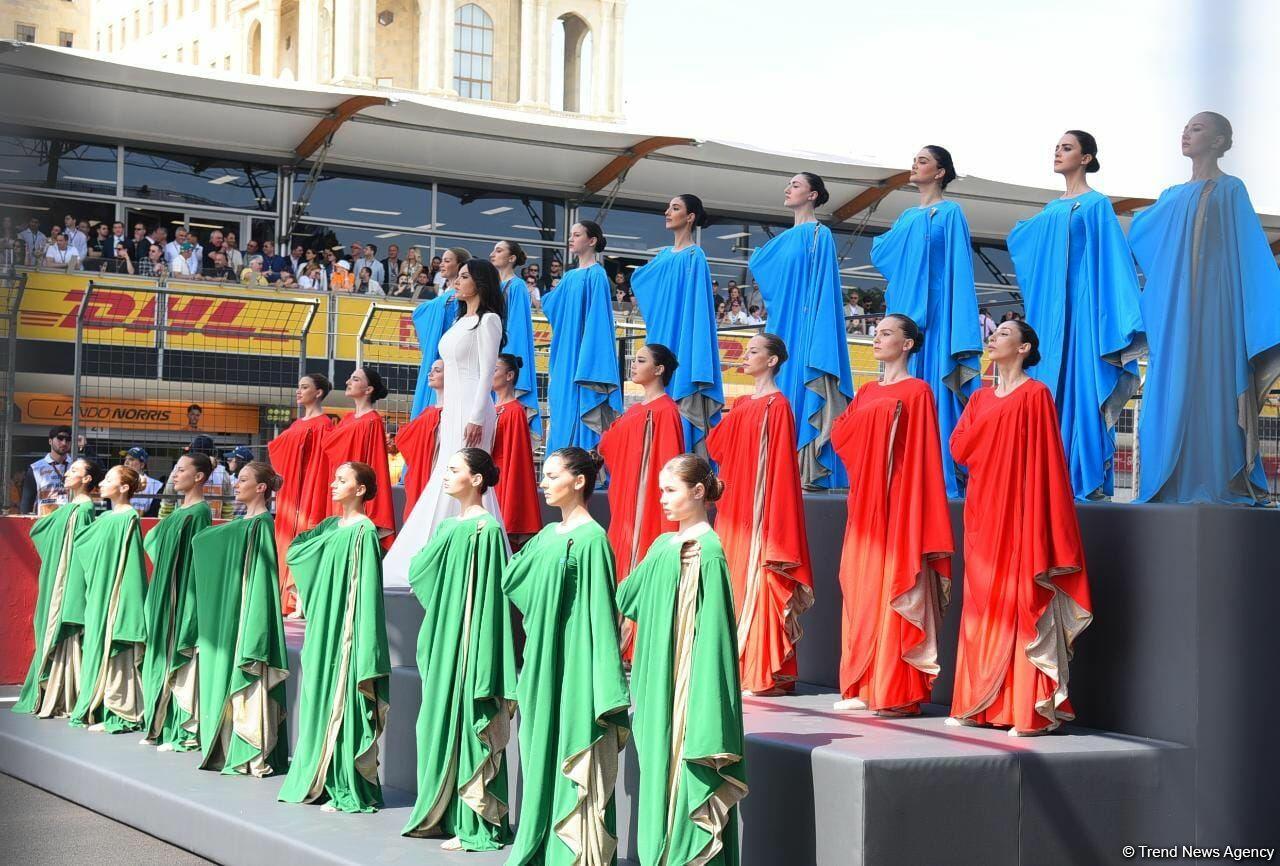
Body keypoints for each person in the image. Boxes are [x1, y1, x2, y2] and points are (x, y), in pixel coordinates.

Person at [948, 320, 1092, 735]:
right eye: (993, 334)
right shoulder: (979, 398)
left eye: (1004, 334)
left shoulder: (1036, 394)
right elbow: (958, 447)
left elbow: (1046, 461)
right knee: (981, 606)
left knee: (1024, 601)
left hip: (1021, 510)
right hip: (982, 514)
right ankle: (976, 703)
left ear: (1024, 348)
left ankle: (1029, 709)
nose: (993, 338)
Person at [1129, 112, 1280, 505]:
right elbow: (1142, 237)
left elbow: (1250, 252)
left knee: (1215, 383)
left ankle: (1218, 479)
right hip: (1174, 312)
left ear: (1219, 141)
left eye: (1196, 128)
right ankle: (1167, 479)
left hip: (1217, 310)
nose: (1186, 133)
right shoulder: (1170, 196)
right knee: (1170, 382)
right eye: (1185, 128)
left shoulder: (1230, 189)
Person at [617, 454, 748, 866]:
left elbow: (715, 637)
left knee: (679, 773)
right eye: (661, 490)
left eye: (671, 490)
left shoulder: (707, 552)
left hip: (685, 686)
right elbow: (627, 597)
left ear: (698, 492)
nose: (662, 499)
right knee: (657, 771)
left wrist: (703, 701)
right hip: (655, 682)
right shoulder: (663, 546)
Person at [503, 447, 630, 866]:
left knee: (571, 748)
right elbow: (514, 580)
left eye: (552, 475)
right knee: (537, 748)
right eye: (544, 474)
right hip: (542, 661)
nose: (543, 482)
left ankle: (573, 853)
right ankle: (539, 844)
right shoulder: (546, 536)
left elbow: (602, 615)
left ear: (579, 481)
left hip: (575, 665)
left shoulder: (593, 539)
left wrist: (602, 682)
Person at [1007, 130, 1145, 501]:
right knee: (1047, 382)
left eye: (1066, 148)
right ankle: (1044, 475)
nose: (1058, 152)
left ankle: (1083, 474)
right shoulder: (1051, 210)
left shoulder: (1097, 204)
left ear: (1086, 158)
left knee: (1084, 382)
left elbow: (1114, 261)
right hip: (1049, 315)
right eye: (1056, 147)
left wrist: (1121, 318)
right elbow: (1026, 248)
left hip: (1084, 314)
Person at [830, 315, 953, 714]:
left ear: (907, 344)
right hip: (865, 503)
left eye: (886, 333)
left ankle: (894, 689)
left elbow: (922, 456)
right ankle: (861, 684)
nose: (876, 338)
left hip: (899, 503)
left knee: (893, 586)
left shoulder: (918, 391)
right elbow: (841, 435)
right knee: (860, 586)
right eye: (876, 332)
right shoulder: (866, 390)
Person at [401, 449, 516, 851]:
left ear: (477, 479)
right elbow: (421, 571)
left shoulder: (486, 529)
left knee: (467, 720)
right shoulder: (451, 527)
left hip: (469, 643)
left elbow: (490, 599)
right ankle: (442, 810)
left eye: (454, 470)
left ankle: (472, 817)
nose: (446, 476)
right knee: (434, 721)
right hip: (444, 637)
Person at [870, 146, 984, 499]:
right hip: (906, 313)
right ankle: (899, 467)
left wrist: (956, 320)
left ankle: (937, 470)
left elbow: (959, 269)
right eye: (914, 160)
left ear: (939, 172)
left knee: (934, 386)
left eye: (923, 161)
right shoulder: (907, 216)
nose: (914, 165)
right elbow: (881, 254)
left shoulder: (951, 212)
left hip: (937, 313)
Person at [278, 462, 390, 812]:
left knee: (343, 698)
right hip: (322, 628)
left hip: (346, 632)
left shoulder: (364, 532)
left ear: (360, 489)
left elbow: (367, 593)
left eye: (342, 480)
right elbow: (298, 551)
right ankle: (319, 775)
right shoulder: (331, 527)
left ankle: (344, 782)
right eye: (334, 478)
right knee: (318, 697)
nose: (332, 484)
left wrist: (359, 639)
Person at [385, 260, 506, 584]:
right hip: (453, 407)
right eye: (458, 276)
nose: (457, 281)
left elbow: (486, 372)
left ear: (479, 282)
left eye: (465, 276)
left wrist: (476, 416)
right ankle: (435, 552)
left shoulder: (489, 320)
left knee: (467, 476)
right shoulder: (459, 320)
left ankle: (467, 555)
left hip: (473, 408)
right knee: (448, 472)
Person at [706, 333, 812, 696]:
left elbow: (780, 468)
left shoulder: (777, 406)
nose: (746, 356)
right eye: (747, 351)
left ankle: (763, 669)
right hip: (735, 506)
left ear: (772, 360)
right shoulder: (741, 403)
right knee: (731, 580)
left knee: (759, 578)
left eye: (754, 351)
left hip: (760, 509)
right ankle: (734, 667)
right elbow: (717, 447)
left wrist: (770, 516)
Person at [748, 171, 854, 489]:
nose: (787, 189)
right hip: (781, 324)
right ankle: (775, 465)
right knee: (777, 383)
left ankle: (803, 467)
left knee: (801, 383)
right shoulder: (782, 241)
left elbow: (823, 290)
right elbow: (763, 272)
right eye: (789, 184)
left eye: (795, 185)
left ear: (812, 195)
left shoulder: (820, 234)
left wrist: (813, 333)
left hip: (806, 328)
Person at [192, 461, 290, 777]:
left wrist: (253, 624)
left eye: (243, 479)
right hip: (232, 616)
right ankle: (229, 743)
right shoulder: (242, 525)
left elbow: (260, 583)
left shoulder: (261, 526)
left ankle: (249, 748)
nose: (236, 483)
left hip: (248, 616)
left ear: (261, 487)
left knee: (245, 670)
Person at [599, 344, 684, 659]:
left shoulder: (666, 411)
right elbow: (608, 446)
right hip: (625, 506)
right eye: (634, 360)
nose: (633, 365)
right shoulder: (636, 411)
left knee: (641, 563)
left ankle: (637, 644)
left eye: (641, 360)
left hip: (647, 509)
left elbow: (671, 465)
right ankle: (618, 642)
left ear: (659, 369)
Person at [630, 194, 725, 455]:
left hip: (682, 338)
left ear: (690, 217)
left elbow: (698, 311)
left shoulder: (695, 256)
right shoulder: (663, 256)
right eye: (668, 208)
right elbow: (640, 282)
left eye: (675, 208)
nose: (667, 212)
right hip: (660, 333)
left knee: (677, 399)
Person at [13, 457, 103, 717]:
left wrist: (71, 587)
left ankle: (61, 691)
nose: (67, 474)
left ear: (87, 479)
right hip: (54, 577)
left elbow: (79, 552)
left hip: (64, 582)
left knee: (58, 629)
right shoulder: (71, 507)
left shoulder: (83, 510)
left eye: (74, 470)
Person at [140, 452, 214, 751]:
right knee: (158, 654)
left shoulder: (200, 513)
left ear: (199, 477)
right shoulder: (178, 512)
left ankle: (179, 729)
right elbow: (155, 542)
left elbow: (198, 561)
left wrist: (187, 601)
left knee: (176, 655)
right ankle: (158, 724)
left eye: (182, 470)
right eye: (175, 469)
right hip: (164, 592)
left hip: (180, 596)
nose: (174, 474)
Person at [68, 465, 148, 733]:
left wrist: (128, 603)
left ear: (124, 488)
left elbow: (133, 567)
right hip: (97, 595)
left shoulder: (129, 519)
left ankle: (120, 711)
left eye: (108, 479)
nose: (101, 483)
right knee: (95, 648)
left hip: (115, 598)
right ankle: (97, 705)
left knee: (115, 652)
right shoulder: (105, 518)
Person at [543, 220, 622, 452]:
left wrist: (587, 361)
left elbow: (598, 322)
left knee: (578, 405)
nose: (571, 239)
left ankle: (578, 462)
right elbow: (551, 306)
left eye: (577, 235)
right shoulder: (569, 277)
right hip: (565, 354)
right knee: (560, 408)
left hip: (582, 357)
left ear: (592, 241)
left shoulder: (597, 275)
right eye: (571, 234)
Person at [267, 373, 336, 618]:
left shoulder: (324, 424)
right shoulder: (297, 425)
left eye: (304, 387)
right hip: (291, 494)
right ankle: (287, 598)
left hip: (309, 491)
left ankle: (302, 599)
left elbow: (323, 463)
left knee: (304, 537)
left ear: (318, 393)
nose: (299, 391)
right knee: (286, 538)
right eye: (299, 387)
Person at [320, 368, 396, 547]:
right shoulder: (348, 419)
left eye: (355, 379)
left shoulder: (372, 421)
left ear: (368, 389)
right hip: (340, 484)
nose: (348, 382)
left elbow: (375, 465)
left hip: (354, 493)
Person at [490, 239, 542, 439]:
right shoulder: (494, 286)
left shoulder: (517, 286)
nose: (493, 254)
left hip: (502, 355)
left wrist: (505, 361)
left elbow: (517, 328)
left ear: (511, 258)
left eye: (499, 250)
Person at [409, 246, 467, 416]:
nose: (441, 264)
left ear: (460, 265)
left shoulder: (457, 297)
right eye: (442, 260)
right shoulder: (447, 294)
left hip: (449, 359)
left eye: (447, 261)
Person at [490, 354, 541, 543]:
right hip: (487, 477)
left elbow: (518, 458)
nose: (489, 373)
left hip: (503, 477)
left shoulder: (515, 411)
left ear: (509, 375)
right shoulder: (488, 409)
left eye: (495, 369)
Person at [396, 360, 444, 525]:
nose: (430, 374)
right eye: (431, 370)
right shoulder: (428, 412)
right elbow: (404, 439)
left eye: (437, 370)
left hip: (438, 475)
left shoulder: (452, 412)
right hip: (421, 474)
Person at [158, 435, 234, 520]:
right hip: (213, 524)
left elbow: (167, 502)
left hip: (183, 522)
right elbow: (228, 507)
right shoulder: (222, 473)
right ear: (213, 453)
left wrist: (162, 523)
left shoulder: (178, 469)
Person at [20, 424, 71, 516]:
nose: (64, 443)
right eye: (60, 438)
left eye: (68, 439)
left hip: (70, 519)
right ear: (50, 441)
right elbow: (26, 503)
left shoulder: (76, 466)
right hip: (45, 520)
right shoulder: (36, 468)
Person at [124, 446, 162, 517]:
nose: (126, 462)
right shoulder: (117, 482)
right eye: (126, 459)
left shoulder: (156, 485)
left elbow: (154, 514)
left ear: (142, 465)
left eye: (131, 459)